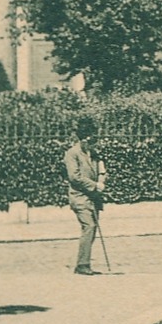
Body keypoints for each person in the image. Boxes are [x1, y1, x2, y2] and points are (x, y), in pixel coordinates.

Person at [63, 115, 106, 276]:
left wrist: (102, 179)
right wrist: (95, 185)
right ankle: (82, 265)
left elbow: (102, 169)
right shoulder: (72, 153)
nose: (90, 140)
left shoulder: (94, 152)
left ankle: (84, 262)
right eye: (87, 137)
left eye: (92, 137)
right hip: (79, 197)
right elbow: (74, 177)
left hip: (93, 197)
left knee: (92, 228)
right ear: (81, 137)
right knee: (89, 226)